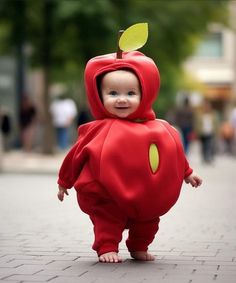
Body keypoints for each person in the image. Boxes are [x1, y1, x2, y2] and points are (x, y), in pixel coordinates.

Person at [57, 51, 202, 263]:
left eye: (131, 93)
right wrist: (64, 181)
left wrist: (188, 173)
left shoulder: (160, 128)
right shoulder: (98, 129)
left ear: (145, 94)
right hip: (108, 190)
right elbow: (76, 155)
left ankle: (139, 246)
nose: (122, 99)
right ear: (99, 96)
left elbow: (173, 152)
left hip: (146, 192)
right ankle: (107, 246)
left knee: (149, 221)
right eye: (113, 93)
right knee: (107, 218)